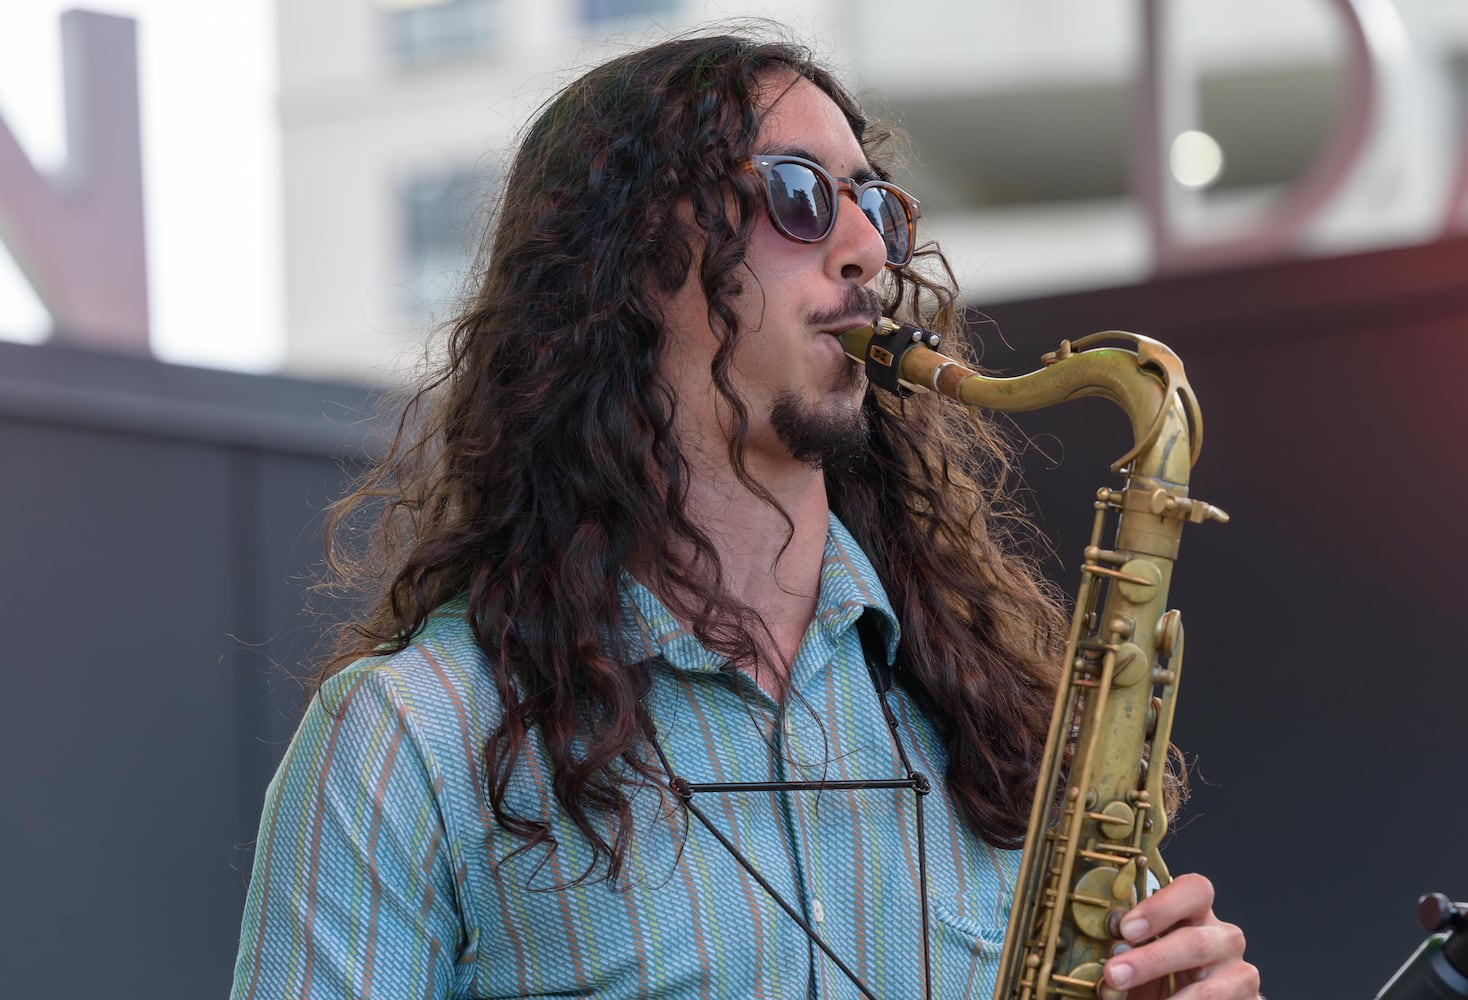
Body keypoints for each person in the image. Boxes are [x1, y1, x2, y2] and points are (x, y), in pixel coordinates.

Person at [231, 30, 1260, 1000]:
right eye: (799, 196)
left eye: (877, 206)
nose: (867, 249)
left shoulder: (993, 722)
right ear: (623, 264)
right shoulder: (412, 738)